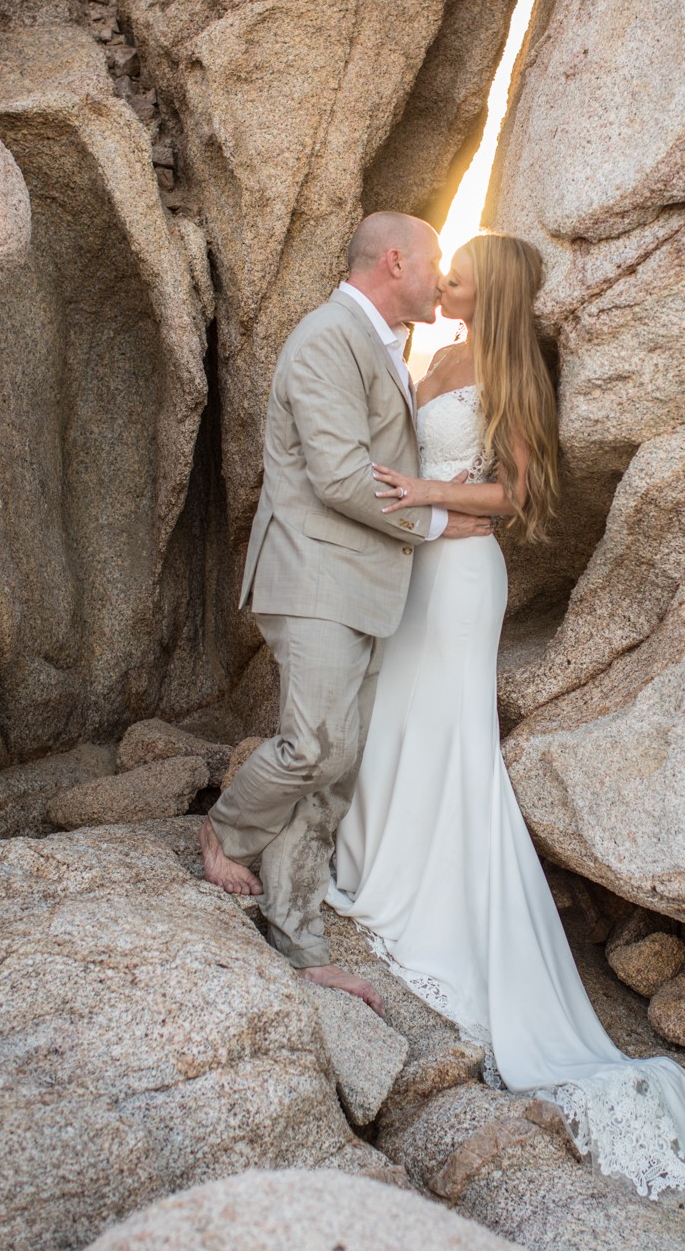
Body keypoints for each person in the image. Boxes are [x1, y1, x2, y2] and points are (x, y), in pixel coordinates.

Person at [329, 231, 685, 1200]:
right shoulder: (435, 353)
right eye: (445, 269)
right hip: (417, 564)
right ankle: (378, 868)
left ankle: (437, 910)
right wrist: (413, 503)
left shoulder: (510, 370)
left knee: (451, 736)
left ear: (493, 291)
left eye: (461, 274)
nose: (446, 281)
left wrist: (427, 493)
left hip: (463, 578)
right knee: (395, 716)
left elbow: (514, 490)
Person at [199, 211, 492, 1015]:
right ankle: (225, 829)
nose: (438, 280)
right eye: (432, 263)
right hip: (315, 577)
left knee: (339, 769)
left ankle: (299, 940)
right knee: (314, 748)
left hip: (364, 584)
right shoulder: (328, 337)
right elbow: (337, 475)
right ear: (395, 261)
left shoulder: (382, 342)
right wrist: (437, 520)